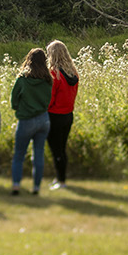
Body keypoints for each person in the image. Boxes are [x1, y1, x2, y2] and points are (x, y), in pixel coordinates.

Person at [9, 48, 53, 196]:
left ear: (29, 60)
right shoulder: (48, 79)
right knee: (38, 154)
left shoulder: (23, 79)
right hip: (44, 119)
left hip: (26, 119)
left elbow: (14, 101)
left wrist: (19, 108)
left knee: (19, 155)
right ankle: (36, 187)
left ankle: (16, 185)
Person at [46, 40, 80, 190]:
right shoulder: (73, 72)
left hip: (54, 115)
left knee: (56, 149)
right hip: (68, 115)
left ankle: (61, 181)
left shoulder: (54, 73)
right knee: (61, 148)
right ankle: (60, 178)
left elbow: (50, 98)